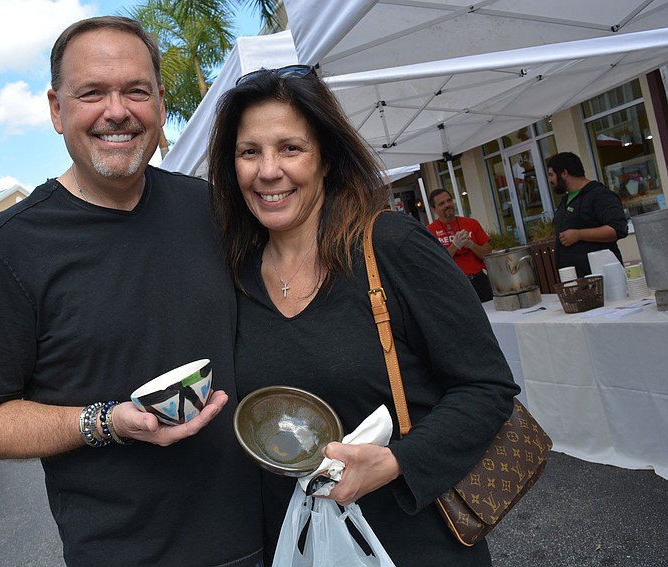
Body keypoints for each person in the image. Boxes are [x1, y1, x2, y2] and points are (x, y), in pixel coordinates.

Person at [0, 16, 262, 567]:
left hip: (262, 532)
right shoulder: (10, 247)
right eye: (92, 92)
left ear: (160, 103)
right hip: (124, 552)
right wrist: (103, 422)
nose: (117, 111)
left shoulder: (212, 208)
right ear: (56, 109)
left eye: (135, 91)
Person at [207, 65, 519, 566]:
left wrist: (397, 460)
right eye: (250, 152)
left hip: (412, 542)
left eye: (291, 148)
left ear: (326, 159)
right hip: (297, 546)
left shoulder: (391, 247)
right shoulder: (233, 279)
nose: (268, 170)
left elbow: (486, 388)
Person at [548, 152, 628, 278]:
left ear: (564, 173)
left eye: (551, 174)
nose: (550, 180)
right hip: (576, 282)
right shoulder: (566, 200)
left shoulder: (600, 195)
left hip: (603, 281)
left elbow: (618, 229)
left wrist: (579, 235)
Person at [427, 188, 494, 302]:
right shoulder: (429, 231)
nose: (447, 205)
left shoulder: (471, 223)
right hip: (454, 285)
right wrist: (455, 246)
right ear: (434, 210)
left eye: (449, 200)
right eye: (442, 204)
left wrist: (471, 244)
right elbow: (435, 262)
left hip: (479, 281)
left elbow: (488, 254)